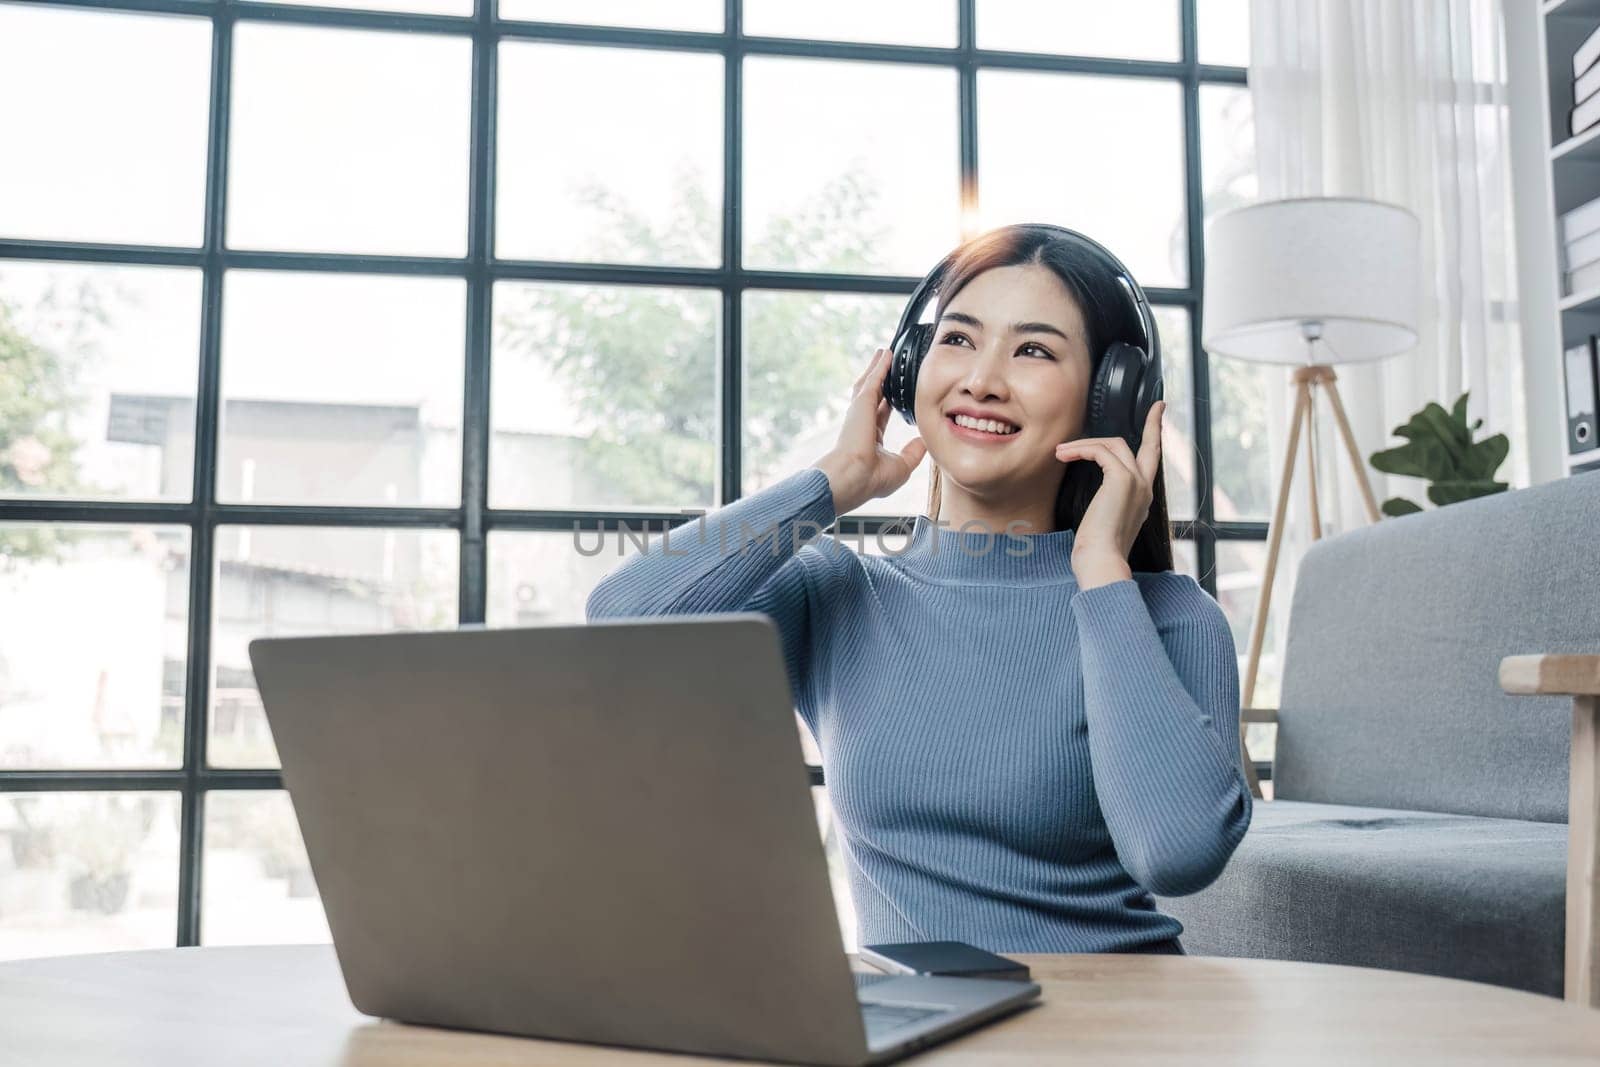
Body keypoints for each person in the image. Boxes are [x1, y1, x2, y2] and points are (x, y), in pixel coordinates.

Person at [585, 223, 1253, 954]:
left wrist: (1101, 569)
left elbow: (1177, 854)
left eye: (1033, 350)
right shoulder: (840, 592)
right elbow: (623, 620)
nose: (982, 379)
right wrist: (832, 484)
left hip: (1115, 1035)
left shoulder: (1164, 616)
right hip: (921, 1038)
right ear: (908, 372)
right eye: (959, 339)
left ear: (1107, 398)